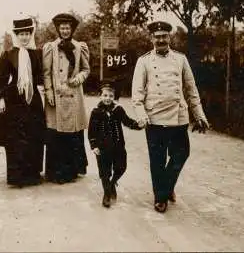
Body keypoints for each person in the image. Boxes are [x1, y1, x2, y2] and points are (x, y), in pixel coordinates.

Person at [131, 20, 210, 213]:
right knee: (157, 159)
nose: (160, 40)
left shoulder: (181, 59)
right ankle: (161, 197)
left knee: (181, 153)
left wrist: (199, 115)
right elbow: (137, 94)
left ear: (170, 37)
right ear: (151, 39)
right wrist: (141, 115)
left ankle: (165, 186)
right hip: (154, 117)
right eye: (157, 37)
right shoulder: (144, 61)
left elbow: (191, 90)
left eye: (164, 36)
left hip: (178, 117)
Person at [0, 15, 45, 187]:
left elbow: (41, 76)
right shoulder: (8, 54)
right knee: (15, 137)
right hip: (14, 100)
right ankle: (16, 176)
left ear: (31, 34)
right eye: (21, 34)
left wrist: (42, 91)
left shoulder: (36, 53)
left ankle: (32, 175)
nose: (24, 37)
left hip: (33, 100)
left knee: (33, 135)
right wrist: (1, 98)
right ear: (16, 35)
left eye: (27, 33)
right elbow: (0, 78)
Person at [42, 13, 90, 184]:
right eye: (62, 28)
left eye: (67, 28)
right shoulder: (50, 48)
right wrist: (48, 92)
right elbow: (46, 73)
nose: (64, 31)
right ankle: (56, 173)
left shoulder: (79, 47)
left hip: (74, 96)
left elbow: (86, 69)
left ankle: (71, 171)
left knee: (72, 134)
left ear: (72, 29)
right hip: (56, 97)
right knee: (56, 134)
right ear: (58, 29)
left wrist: (78, 79)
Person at [88, 83, 142, 208]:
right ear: (100, 96)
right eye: (105, 95)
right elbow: (91, 131)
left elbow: (127, 122)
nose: (108, 98)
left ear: (114, 97)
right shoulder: (96, 112)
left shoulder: (118, 110)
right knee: (104, 172)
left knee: (121, 167)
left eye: (111, 96)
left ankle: (113, 183)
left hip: (118, 146)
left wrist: (138, 125)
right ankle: (106, 194)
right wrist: (94, 146)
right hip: (102, 148)